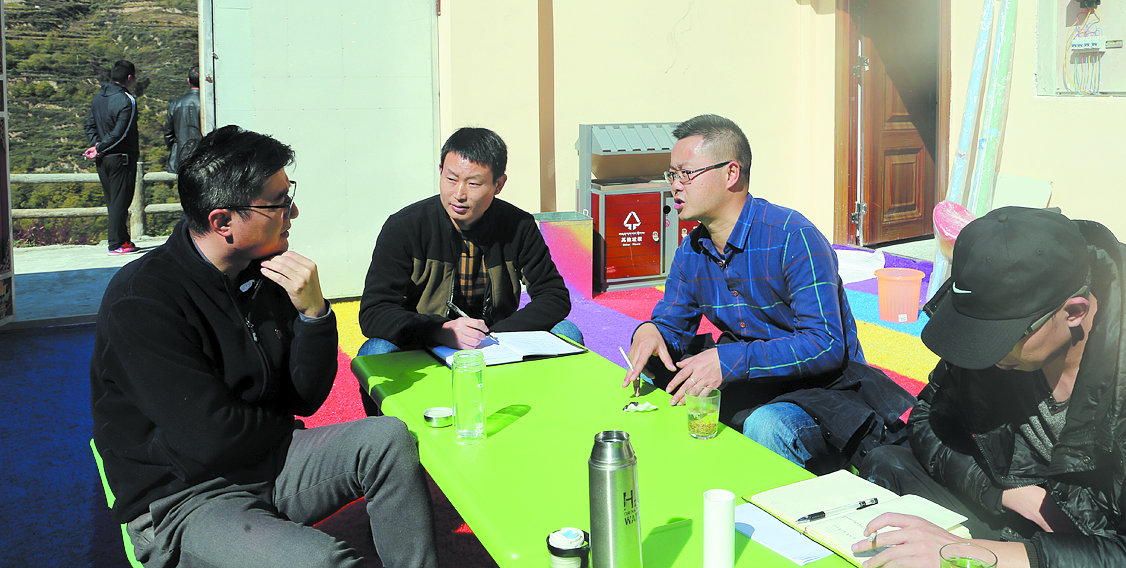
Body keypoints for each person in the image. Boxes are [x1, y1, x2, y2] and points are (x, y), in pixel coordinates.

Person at [90, 125, 437, 568]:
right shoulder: (141, 301)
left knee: (387, 439)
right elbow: (211, 437)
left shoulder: (263, 274)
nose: (294, 211)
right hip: (184, 498)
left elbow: (304, 399)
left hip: (266, 461)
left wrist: (314, 315)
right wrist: (282, 424)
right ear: (223, 222)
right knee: (323, 561)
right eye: (279, 202)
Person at [856, 206, 1126, 568]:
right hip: (1037, 516)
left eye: (1002, 337)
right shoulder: (1003, 327)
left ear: (1074, 312)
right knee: (889, 463)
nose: (986, 354)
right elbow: (929, 417)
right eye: (977, 332)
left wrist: (981, 553)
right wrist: (1006, 493)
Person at [621, 114, 913, 472]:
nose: (675, 186)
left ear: (731, 173)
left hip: (825, 390)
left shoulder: (793, 237)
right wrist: (650, 331)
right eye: (672, 174)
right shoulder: (692, 250)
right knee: (667, 383)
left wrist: (729, 360)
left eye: (686, 173)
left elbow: (825, 344)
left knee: (766, 425)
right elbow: (672, 325)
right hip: (752, 381)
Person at [359, 126, 580, 358]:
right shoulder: (404, 227)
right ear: (440, 170)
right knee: (376, 350)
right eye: (451, 179)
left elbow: (553, 295)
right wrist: (440, 330)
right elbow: (374, 311)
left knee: (567, 332)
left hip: (495, 341)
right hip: (424, 340)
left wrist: (493, 334)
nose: (459, 194)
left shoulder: (518, 226)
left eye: (473, 184)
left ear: (499, 184)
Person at [84, 58, 140, 255]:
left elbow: (89, 125)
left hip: (103, 158)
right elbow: (121, 132)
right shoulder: (127, 99)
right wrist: (100, 147)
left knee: (113, 201)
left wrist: (97, 146)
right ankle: (116, 244)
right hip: (121, 157)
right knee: (120, 202)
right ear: (129, 77)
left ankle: (124, 240)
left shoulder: (99, 97)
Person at [163, 65, 202, 173]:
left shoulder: (175, 103)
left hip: (180, 159)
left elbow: (168, 134)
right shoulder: (209, 104)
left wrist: (176, 148)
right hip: (204, 158)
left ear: (188, 81)